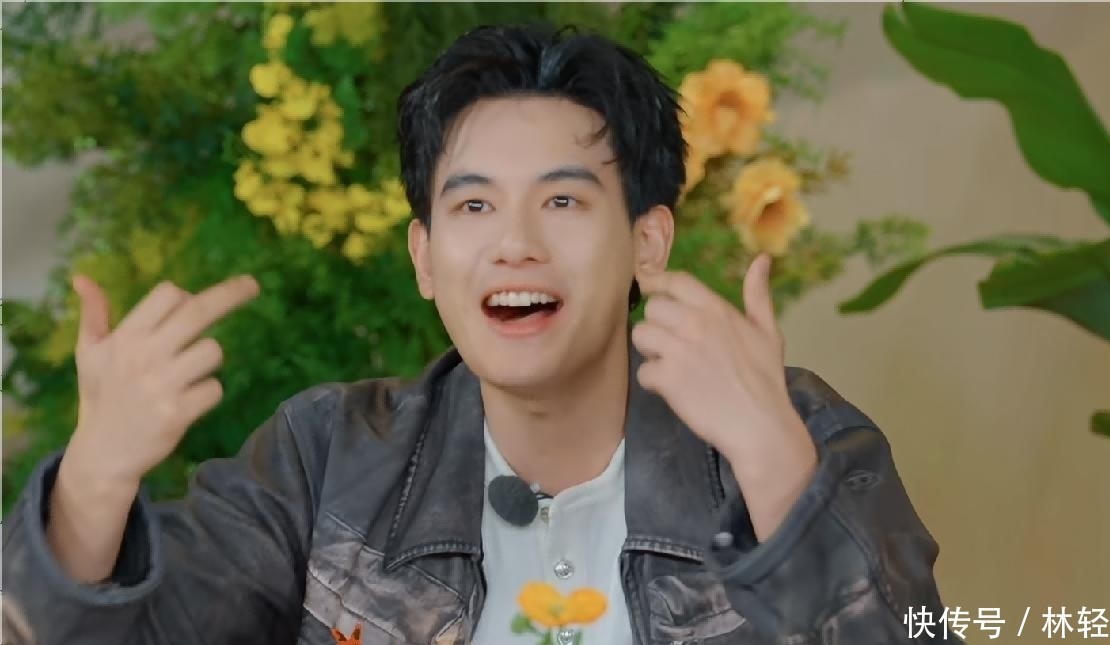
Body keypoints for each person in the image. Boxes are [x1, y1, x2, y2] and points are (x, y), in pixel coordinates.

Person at [2, 24, 953, 645]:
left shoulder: (796, 429)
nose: (514, 244)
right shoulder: (324, 457)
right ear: (423, 257)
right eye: (472, 205)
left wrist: (773, 465)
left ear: (648, 242)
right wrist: (94, 479)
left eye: (563, 201)